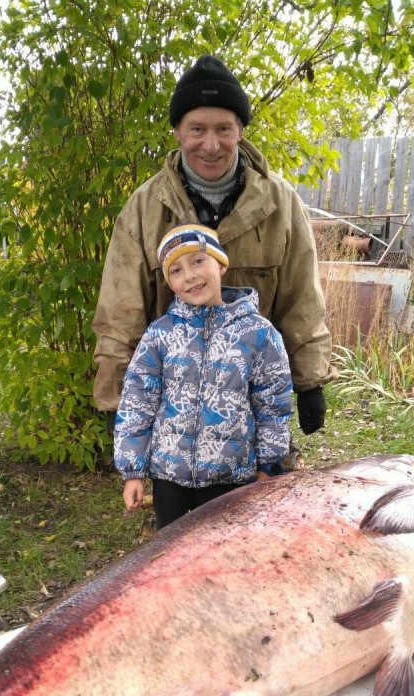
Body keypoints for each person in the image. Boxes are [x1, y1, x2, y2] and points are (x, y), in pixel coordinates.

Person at [93, 54, 336, 441]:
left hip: (253, 419)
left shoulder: (282, 204)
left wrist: (311, 381)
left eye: (224, 128)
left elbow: (301, 300)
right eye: (197, 130)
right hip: (174, 422)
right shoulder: (144, 208)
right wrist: (114, 397)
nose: (211, 145)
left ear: (240, 129)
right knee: (186, 506)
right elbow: (120, 310)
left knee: (255, 504)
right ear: (177, 132)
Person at [114, 224, 292, 529]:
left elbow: (273, 405)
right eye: (177, 271)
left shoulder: (258, 334)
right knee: (171, 554)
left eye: (198, 261)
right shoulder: (160, 334)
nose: (190, 276)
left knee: (224, 553)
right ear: (170, 283)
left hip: (231, 476)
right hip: (169, 476)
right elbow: (138, 399)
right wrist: (133, 470)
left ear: (221, 264)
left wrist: (269, 466)